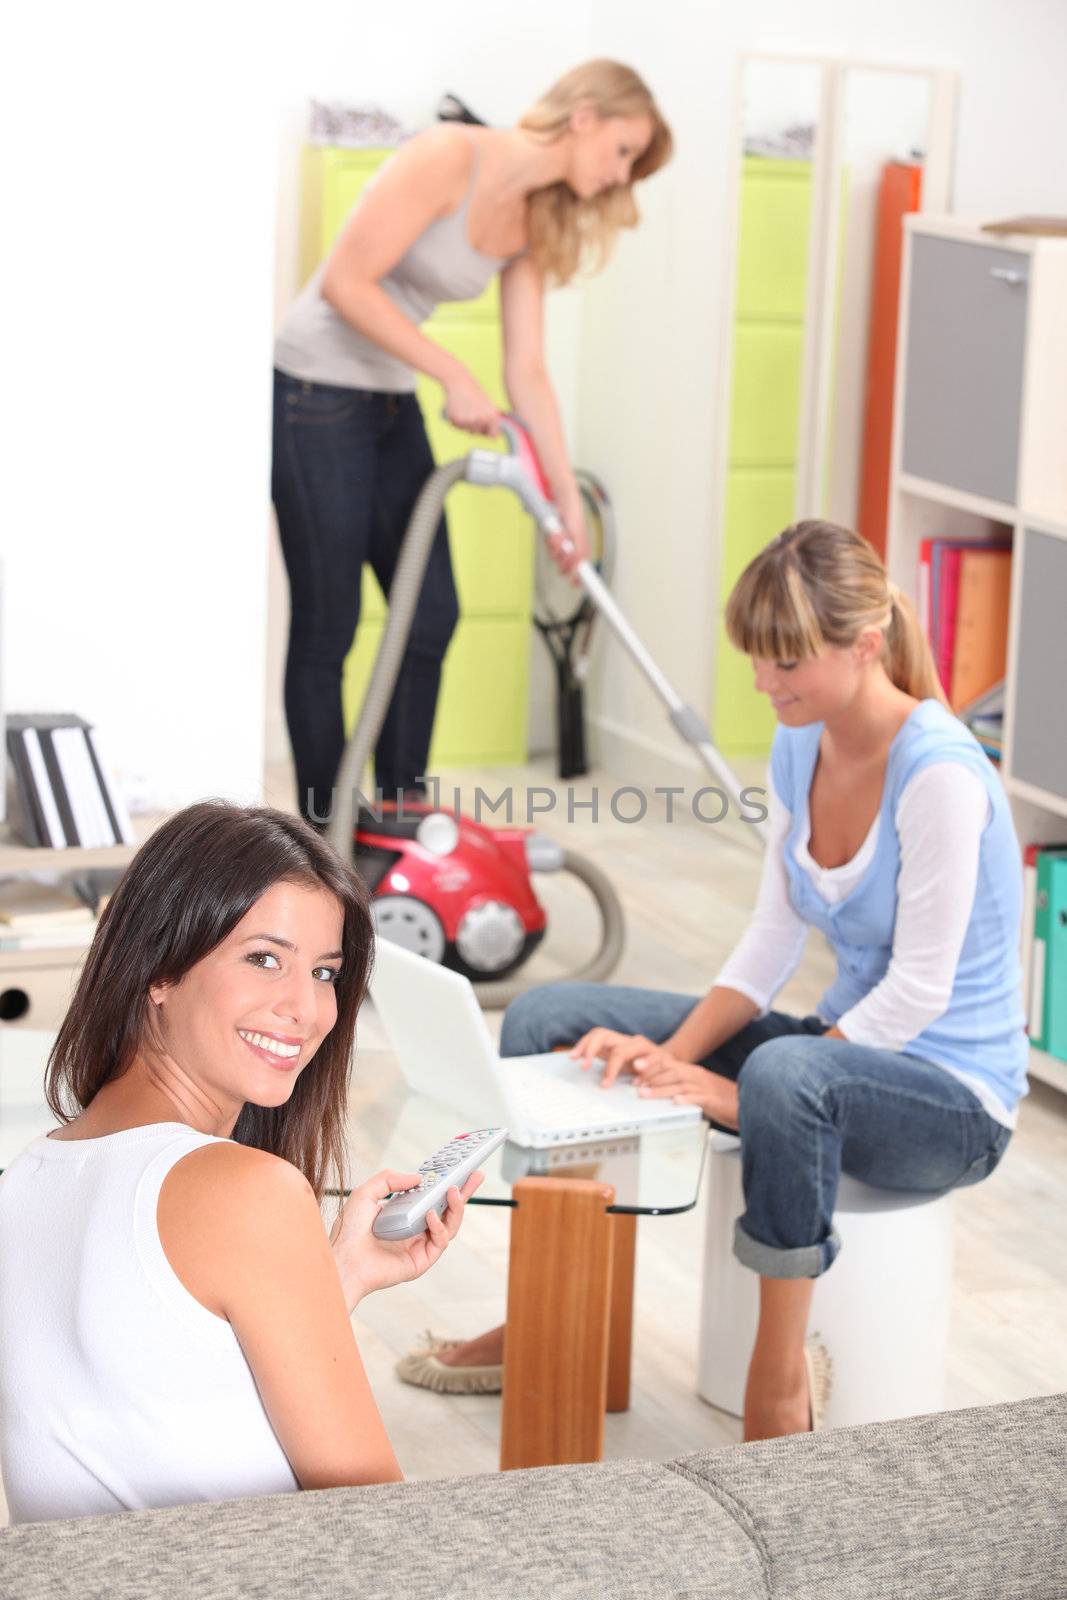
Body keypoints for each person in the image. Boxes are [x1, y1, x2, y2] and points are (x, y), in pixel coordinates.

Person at [397, 520, 1025, 1440]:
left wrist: (735, 1089)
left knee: (783, 1078)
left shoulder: (939, 776)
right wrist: (669, 1056)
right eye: (757, 661)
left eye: (787, 664)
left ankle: (779, 1378)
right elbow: (771, 938)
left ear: (864, 645)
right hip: (839, 1061)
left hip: (953, 1102)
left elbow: (921, 990)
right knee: (551, 1016)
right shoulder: (799, 745)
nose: (766, 686)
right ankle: (553, 1312)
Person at [0, 803, 481, 1523]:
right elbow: (376, 1523)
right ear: (159, 968)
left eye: (324, 972)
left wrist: (330, 1281)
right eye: (264, 959)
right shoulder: (246, 1194)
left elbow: (148, 1397)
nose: (306, 1008)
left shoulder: (26, 1180)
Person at [272, 60, 672, 824]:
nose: (621, 175)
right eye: (623, 151)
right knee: (329, 625)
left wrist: (563, 500)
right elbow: (345, 283)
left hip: (388, 398)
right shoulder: (449, 154)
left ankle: (394, 817)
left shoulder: (534, 219)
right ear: (583, 115)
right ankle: (321, 840)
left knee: (431, 611)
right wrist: (451, 372)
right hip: (312, 392)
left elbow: (527, 371)